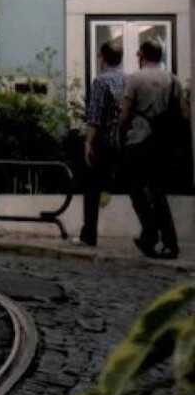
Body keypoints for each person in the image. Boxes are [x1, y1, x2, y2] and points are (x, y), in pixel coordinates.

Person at [119, 35, 185, 259]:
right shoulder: (173, 80)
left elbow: (125, 113)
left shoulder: (135, 79)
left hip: (139, 140)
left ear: (143, 55)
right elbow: (183, 114)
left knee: (136, 190)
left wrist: (122, 132)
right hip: (163, 143)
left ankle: (150, 231)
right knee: (158, 191)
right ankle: (170, 242)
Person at [78, 39, 125, 247]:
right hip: (124, 141)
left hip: (104, 142)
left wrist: (88, 143)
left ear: (103, 58)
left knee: (92, 188)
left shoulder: (101, 82)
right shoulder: (127, 80)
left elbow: (94, 116)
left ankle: (89, 234)